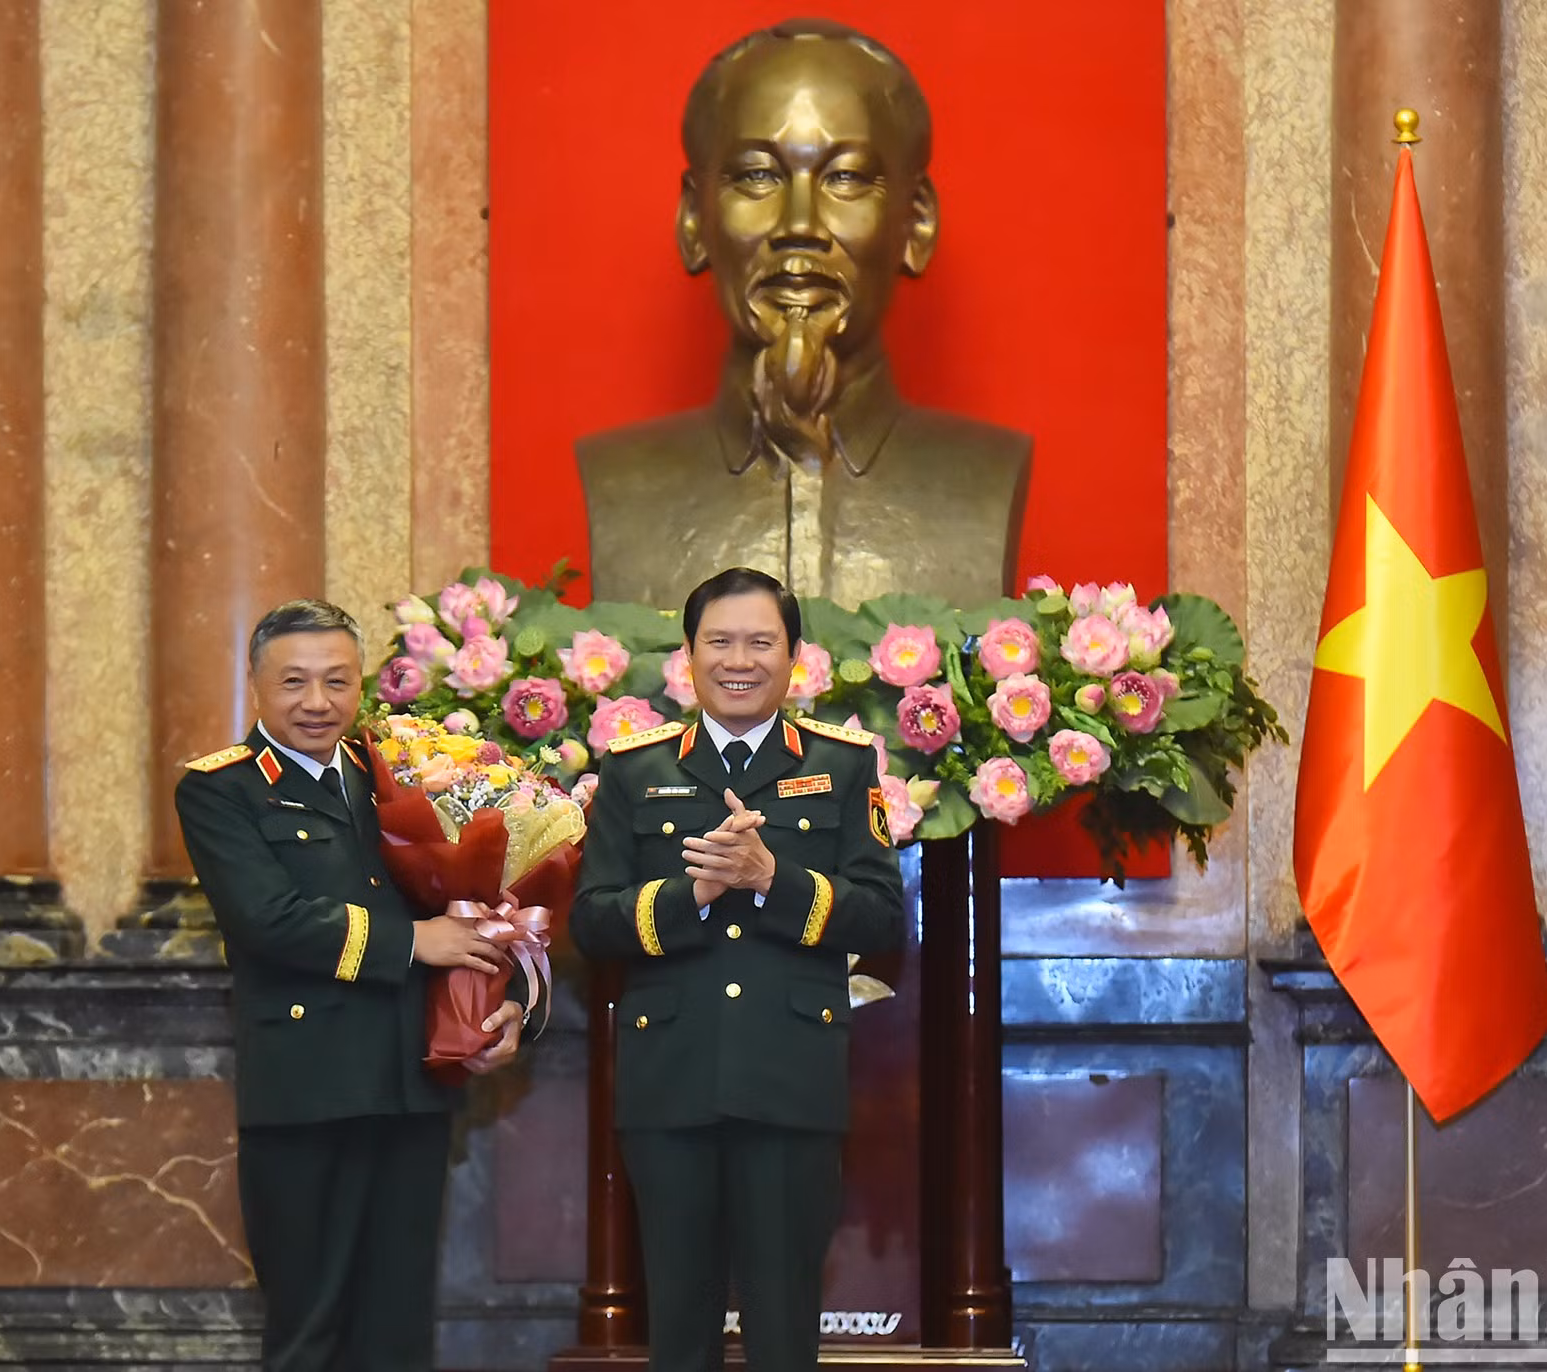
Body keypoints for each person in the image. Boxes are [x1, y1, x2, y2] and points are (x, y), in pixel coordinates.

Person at [174, 598, 525, 1372]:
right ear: (257, 686)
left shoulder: (401, 771)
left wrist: (510, 1001)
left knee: (397, 1330)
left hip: (409, 1081)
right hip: (307, 1089)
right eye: (294, 682)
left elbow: (482, 900)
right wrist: (414, 942)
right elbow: (269, 920)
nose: (316, 702)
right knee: (311, 1327)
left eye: (337, 681)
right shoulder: (220, 789)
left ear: (361, 685)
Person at [571, 567, 905, 1372]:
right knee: (678, 1325)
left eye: (762, 642)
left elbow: (884, 918)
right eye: (719, 641)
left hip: (789, 1077)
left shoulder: (846, 763)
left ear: (795, 658)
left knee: (784, 1325)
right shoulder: (632, 768)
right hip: (670, 1078)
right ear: (688, 655)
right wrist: (694, 894)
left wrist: (770, 880)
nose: (739, 660)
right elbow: (590, 921)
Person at [578, 19, 1031, 610]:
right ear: (694, 220)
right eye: (757, 176)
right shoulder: (621, 481)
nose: (798, 226)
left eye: (845, 177)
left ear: (915, 223)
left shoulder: (985, 479)